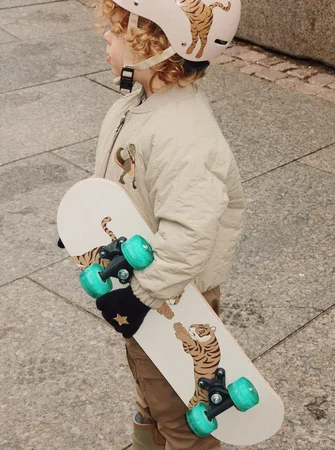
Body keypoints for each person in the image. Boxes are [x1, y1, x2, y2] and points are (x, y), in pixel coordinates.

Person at [93, 0, 244, 448]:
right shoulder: (138, 102)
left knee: (182, 414)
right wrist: (88, 222)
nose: (106, 35)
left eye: (119, 28)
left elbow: (190, 237)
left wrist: (138, 297)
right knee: (150, 392)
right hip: (155, 288)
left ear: (159, 45)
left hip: (174, 297)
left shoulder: (183, 135)